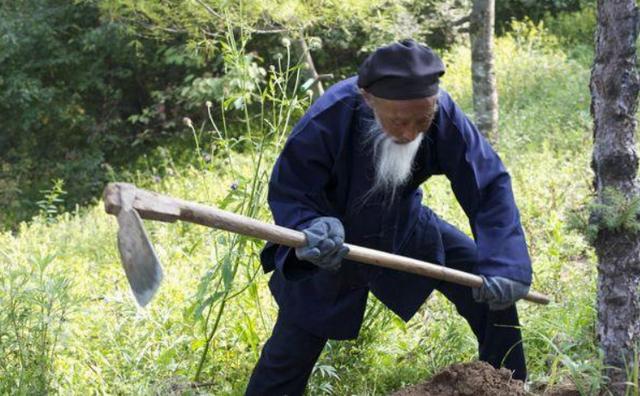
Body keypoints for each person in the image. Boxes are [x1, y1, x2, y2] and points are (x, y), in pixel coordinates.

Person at [245, 39, 532, 395]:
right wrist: (309, 225)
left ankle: (510, 386)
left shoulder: (444, 114)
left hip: (403, 225)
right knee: (291, 350)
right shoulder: (329, 117)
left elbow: (487, 185)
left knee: (487, 290)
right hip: (329, 243)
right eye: (397, 121)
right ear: (368, 99)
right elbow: (291, 188)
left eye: (422, 120)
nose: (410, 132)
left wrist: (505, 263)